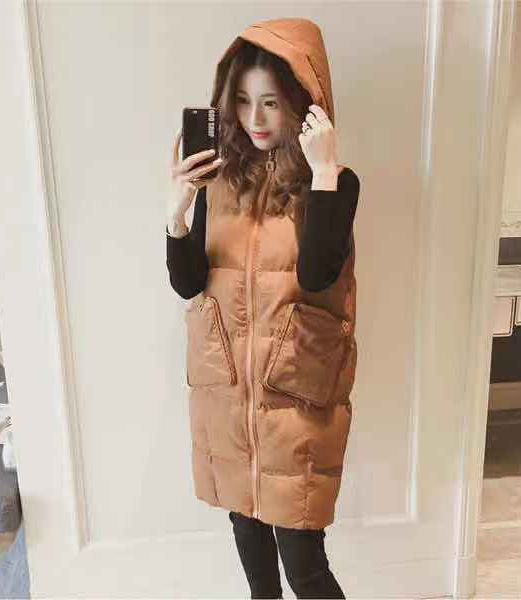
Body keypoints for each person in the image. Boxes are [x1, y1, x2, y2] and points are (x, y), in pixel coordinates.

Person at [166, 17, 359, 600]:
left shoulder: (337, 183)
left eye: (272, 102)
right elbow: (188, 284)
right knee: (254, 561)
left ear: (304, 104)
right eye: (244, 101)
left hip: (296, 394)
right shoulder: (218, 182)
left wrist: (322, 172)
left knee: (305, 566)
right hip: (228, 392)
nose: (255, 118)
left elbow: (318, 274)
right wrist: (177, 212)